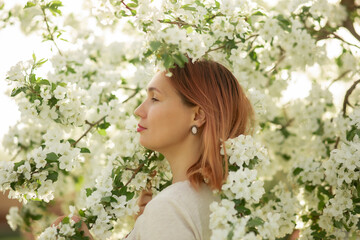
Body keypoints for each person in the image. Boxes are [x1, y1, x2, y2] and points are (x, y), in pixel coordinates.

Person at [54, 58, 254, 240]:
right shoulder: (227, 204)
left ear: (197, 116)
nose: (138, 110)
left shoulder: (171, 207)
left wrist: (157, 219)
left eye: (155, 99)